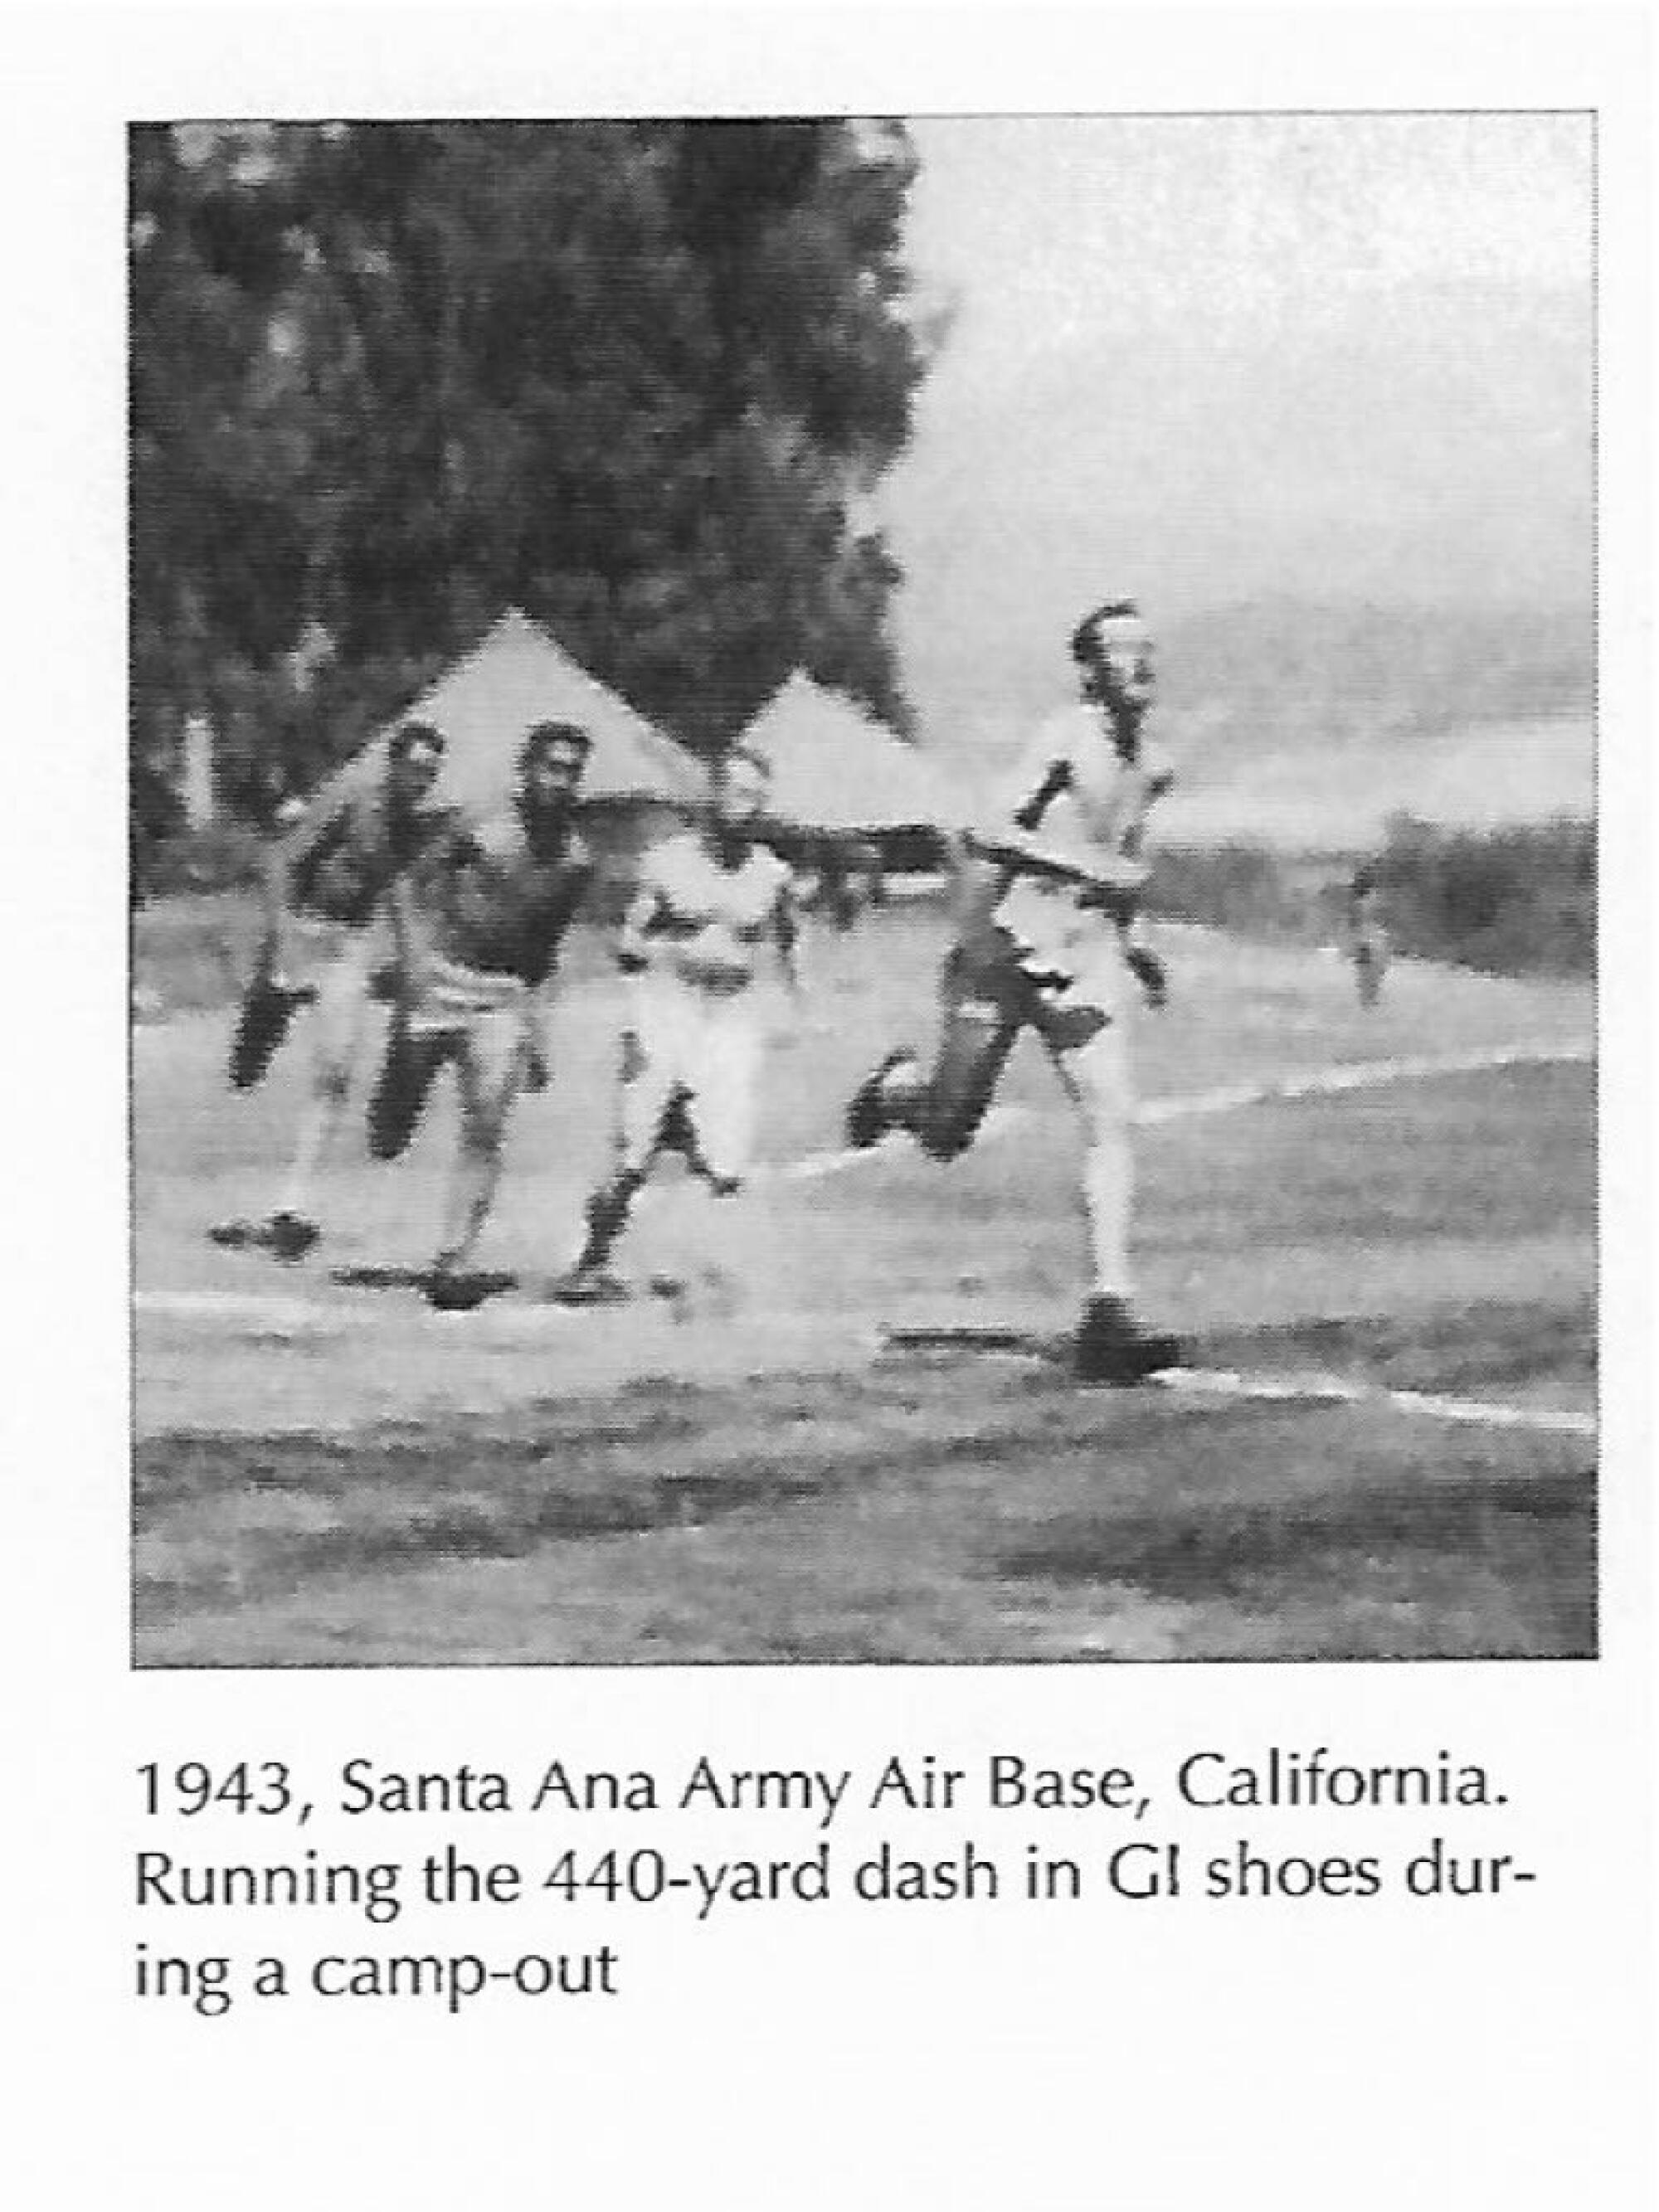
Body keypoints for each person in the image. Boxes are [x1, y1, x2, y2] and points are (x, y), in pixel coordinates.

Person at [844, 598, 1181, 1384]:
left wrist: (1138, 941)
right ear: (1091, 669)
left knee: (1111, 1117)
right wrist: (1085, 871)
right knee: (946, 1130)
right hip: (1006, 943)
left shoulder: (1155, 764)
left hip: (1087, 957)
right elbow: (987, 832)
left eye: (1147, 649)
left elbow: (1128, 854)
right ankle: (896, 1094)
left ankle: (1109, 1310)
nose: (1139, 664)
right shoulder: (1064, 736)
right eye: (1120, 651)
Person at [552, 746, 800, 1303]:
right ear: (712, 796)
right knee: (636, 1147)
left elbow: (780, 947)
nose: (745, 806)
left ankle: (703, 1271)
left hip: (731, 1010)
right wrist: (681, 946)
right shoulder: (668, 861)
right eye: (735, 792)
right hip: (667, 1003)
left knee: (725, 1152)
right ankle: (592, 1257)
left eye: (756, 796)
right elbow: (628, 942)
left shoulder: (771, 873)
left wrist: (786, 1006)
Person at [369, 722, 596, 1308]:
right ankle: (393, 1104)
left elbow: (547, 947)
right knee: (391, 1130)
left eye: (572, 770)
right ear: (527, 768)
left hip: (502, 995)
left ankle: (453, 1258)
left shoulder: (575, 859)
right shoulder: (480, 821)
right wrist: (410, 956)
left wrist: (539, 1028)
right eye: (551, 766)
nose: (560, 780)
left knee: (487, 1123)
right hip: (439, 978)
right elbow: (405, 882)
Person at [213, 717, 451, 1261]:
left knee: (336, 1073)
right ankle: (227, 1174)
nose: (420, 780)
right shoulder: (353, 802)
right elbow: (277, 860)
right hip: (304, 928)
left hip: (349, 945)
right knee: (248, 1068)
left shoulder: (410, 828)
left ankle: (291, 1207)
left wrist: (409, 960)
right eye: (414, 767)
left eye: (430, 773)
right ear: (393, 765)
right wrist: (284, 939)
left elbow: (397, 894)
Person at [1346, 864, 1389, 1009]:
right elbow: (1384, 919)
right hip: (1378, 939)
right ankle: (1371, 1000)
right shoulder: (1376, 900)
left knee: (1365, 974)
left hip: (1365, 941)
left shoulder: (1357, 904)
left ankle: (1367, 1002)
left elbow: (1353, 925)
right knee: (1375, 973)